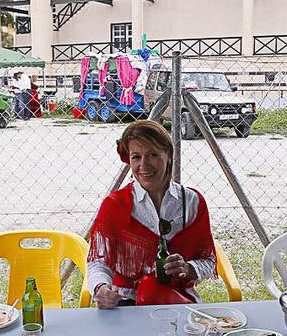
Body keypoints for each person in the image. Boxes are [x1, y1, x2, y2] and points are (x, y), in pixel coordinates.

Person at [88, 120, 216, 307]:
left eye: (152, 155)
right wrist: (100, 288)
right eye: (136, 157)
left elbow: (208, 262)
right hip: (126, 303)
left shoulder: (192, 202)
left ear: (169, 155)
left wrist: (188, 268)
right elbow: (99, 262)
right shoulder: (115, 205)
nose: (144, 165)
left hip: (177, 301)